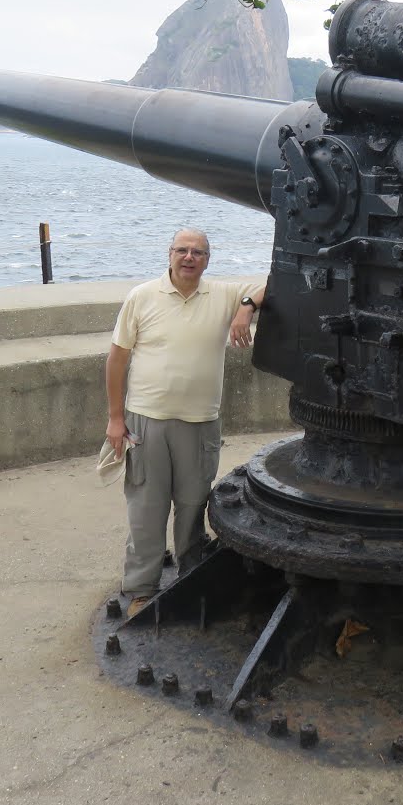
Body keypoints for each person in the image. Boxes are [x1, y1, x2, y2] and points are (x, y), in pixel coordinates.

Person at [105, 228, 265, 614]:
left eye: (198, 252)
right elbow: (117, 359)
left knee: (193, 505)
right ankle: (141, 588)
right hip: (146, 421)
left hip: (199, 423)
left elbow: (277, 281)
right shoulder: (142, 296)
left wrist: (245, 307)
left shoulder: (223, 295)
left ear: (207, 259)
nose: (189, 257)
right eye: (182, 250)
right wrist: (114, 418)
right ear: (169, 254)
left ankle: (190, 577)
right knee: (146, 507)